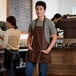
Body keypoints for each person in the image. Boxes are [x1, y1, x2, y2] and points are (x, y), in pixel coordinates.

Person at [25, 1, 57, 76]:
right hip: (33, 50)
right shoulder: (32, 23)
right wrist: (29, 45)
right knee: (28, 72)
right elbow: (30, 36)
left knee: (42, 73)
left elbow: (54, 38)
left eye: (41, 9)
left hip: (44, 51)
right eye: (37, 9)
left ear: (44, 10)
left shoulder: (49, 23)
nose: (38, 11)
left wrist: (48, 50)